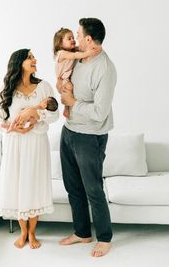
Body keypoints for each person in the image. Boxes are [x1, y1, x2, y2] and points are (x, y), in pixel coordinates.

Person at [58, 18, 117, 258]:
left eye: (79, 34)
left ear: (89, 39)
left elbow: (100, 112)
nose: (76, 37)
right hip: (69, 130)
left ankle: (104, 238)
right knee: (73, 187)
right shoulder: (79, 56)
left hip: (90, 137)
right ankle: (82, 232)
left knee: (93, 189)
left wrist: (73, 103)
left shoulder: (105, 69)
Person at [0, 49, 59, 249]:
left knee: (34, 185)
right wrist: (14, 129)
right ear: (19, 62)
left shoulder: (44, 87)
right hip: (15, 145)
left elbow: (55, 115)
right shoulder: (7, 90)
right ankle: (23, 232)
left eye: (34, 57)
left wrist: (35, 114)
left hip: (36, 144)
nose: (35, 60)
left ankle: (32, 233)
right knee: (18, 185)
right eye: (30, 57)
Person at [53, 28, 99, 118]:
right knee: (69, 88)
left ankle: (69, 106)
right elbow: (75, 55)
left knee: (70, 88)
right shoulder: (61, 53)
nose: (73, 40)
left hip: (67, 78)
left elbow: (80, 49)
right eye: (69, 38)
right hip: (62, 80)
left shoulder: (72, 50)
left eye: (73, 37)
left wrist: (89, 46)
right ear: (60, 43)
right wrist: (88, 53)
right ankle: (66, 108)